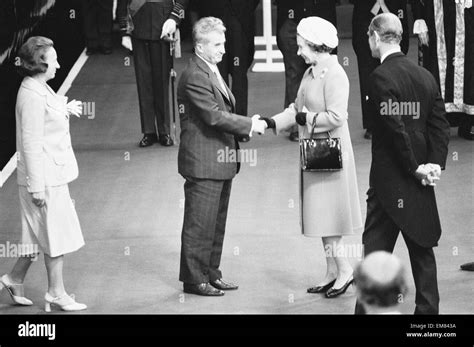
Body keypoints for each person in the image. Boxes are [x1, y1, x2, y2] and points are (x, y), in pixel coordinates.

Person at [355, 13, 450, 315]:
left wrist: (414, 168)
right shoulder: (425, 75)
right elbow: (439, 125)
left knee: (375, 255)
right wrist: (432, 165)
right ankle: (428, 319)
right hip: (418, 181)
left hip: (388, 183)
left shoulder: (380, 77)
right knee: (422, 252)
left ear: (374, 36)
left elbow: (394, 130)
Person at [262, 17, 363, 298]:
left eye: (301, 46)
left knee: (328, 216)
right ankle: (332, 271)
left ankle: (345, 270)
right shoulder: (310, 73)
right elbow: (294, 109)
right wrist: (271, 123)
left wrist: (306, 118)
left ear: (317, 46)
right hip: (316, 154)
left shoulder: (335, 74)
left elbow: (336, 116)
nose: (298, 52)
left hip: (331, 155)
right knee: (320, 214)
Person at [177, 17, 266, 296]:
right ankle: (194, 279)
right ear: (200, 47)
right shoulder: (194, 76)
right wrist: (249, 124)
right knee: (199, 224)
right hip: (204, 162)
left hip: (220, 161)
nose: (223, 49)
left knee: (215, 223)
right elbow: (214, 117)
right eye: (216, 44)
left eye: (223, 43)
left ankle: (211, 273)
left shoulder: (211, 69)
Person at [0, 36, 87, 312]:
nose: (59, 65)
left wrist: (65, 109)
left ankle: (13, 279)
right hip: (43, 179)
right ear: (39, 64)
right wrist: (36, 187)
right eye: (54, 60)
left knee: (36, 235)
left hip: (48, 175)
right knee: (54, 234)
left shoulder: (38, 87)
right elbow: (31, 145)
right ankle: (56, 293)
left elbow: (48, 111)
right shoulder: (32, 95)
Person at [116, 0, 188, 147]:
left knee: (162, 81)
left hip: (163, 23)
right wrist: (124, 30)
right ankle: (148, 131)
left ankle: (164, 130)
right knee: (143, 81)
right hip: (138, 23)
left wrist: (174, 17)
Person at [194, 0, 260, 143]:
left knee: (239, 76)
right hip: (213, 17)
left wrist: (245, 11)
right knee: (217, 75)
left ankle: (241, 126)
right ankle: (222, 125)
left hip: (240, 20)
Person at [275, 0, 337, 142]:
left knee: (322, 72)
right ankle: (297, 125)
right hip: (291, 21)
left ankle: (321, 121)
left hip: (320, 20)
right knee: (294, 74)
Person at [350, 0, 412, 140]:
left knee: (394, 75)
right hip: (365, 20)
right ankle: (372, 124)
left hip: (394, 17)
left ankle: (395, 121)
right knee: (368, 78)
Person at [412, 0, 474, 140]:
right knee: (435, 69)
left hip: (467, 19)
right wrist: (420, 19)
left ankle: (467, 123)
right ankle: (437, 124)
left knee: (469, 67)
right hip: (436, 20)